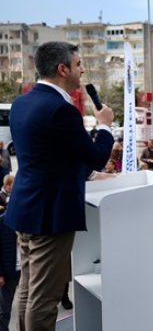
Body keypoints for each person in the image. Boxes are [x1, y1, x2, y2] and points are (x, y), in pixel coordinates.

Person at [6, 41, 115, 331]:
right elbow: (96, 156)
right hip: (49, 216)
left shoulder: (23, 102)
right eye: (79, 64)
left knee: (28, 290)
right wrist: (105, 125)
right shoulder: (61, 109)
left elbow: (48, 155)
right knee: (44, 299)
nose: (83, 71)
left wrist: (86, 176)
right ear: (62, 68)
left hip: (26, 209)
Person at [0, 175, 17, 331]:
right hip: (9, 272)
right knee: (4, 311)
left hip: (25, 270)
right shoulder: (2, 222)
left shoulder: (26, 220)